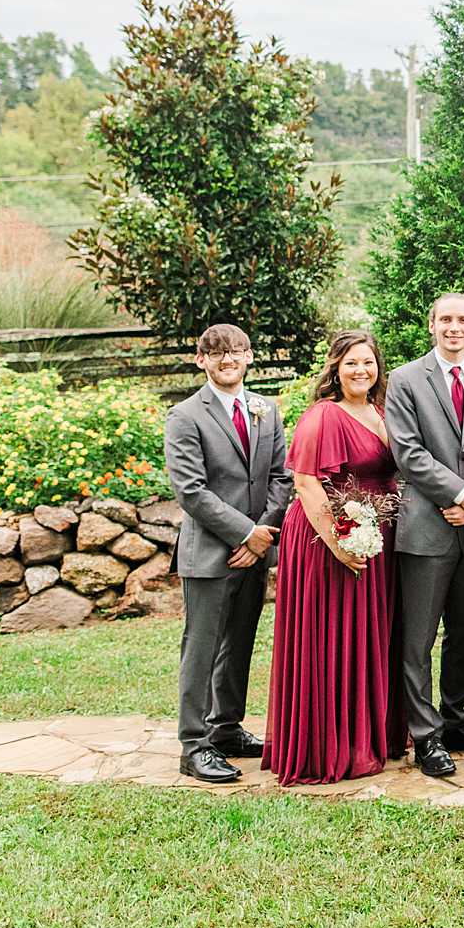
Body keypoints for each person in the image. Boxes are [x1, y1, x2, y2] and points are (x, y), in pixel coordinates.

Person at [265, 331, 406, 785]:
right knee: (335, 637)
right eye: (351, 364)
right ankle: (330, 745)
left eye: (368, 362)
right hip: (328, 542)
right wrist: (338, 544)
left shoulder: (383, 413)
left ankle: (369, 736)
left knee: (371, 636)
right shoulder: (323, 416)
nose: (361, 371)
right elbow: (306, 484)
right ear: (335, 369)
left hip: (376, 538)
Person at [384, 293, 464, 779]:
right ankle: (425, 734)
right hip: (426, 527)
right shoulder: (405, 380)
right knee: (418, 638)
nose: (454, 327)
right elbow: (407, 451)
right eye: (445, 320)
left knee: (463, 631)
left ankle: (456, 719)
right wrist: (457, 495)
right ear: (432, 325)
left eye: (462, 320)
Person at [168, 323, 290, 783]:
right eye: (217, 353)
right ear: (201, 360)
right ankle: (193, 744)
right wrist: (244, 535)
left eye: (237, 351)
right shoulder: (185, 416)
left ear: (250, 357)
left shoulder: (266, 409)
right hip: (210, 553)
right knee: (202, 648)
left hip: (255, 550)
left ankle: (226, 728)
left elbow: (281, 477)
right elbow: (191, 491)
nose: (228, 360)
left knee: (239, 644)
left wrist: (262, 534)